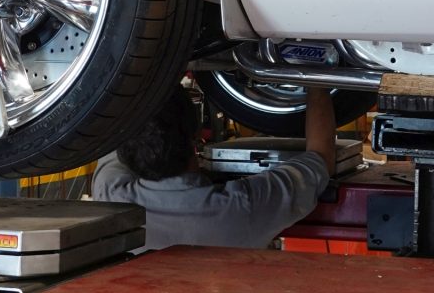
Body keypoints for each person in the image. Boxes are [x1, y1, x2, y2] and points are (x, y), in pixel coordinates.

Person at [92, 85, 336, 251]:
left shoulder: (111, 197)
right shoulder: (242, 209)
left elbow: (116, 136)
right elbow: (321, 157)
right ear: (196, 138)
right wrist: (316, 82)